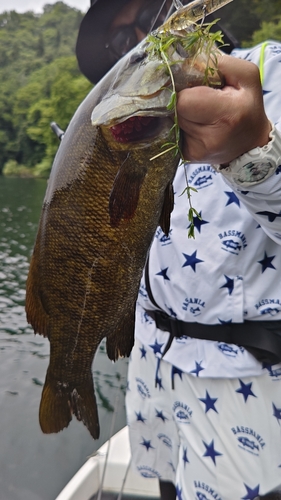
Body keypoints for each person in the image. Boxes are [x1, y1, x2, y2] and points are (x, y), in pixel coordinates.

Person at [76, 1, 281, 499]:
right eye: (125, 40)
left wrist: (255, 150)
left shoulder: (273, 71)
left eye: (151, 11)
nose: (148, 36)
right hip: (151, 364)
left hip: (241, 376)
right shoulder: (122, 121)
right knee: (167, 489)